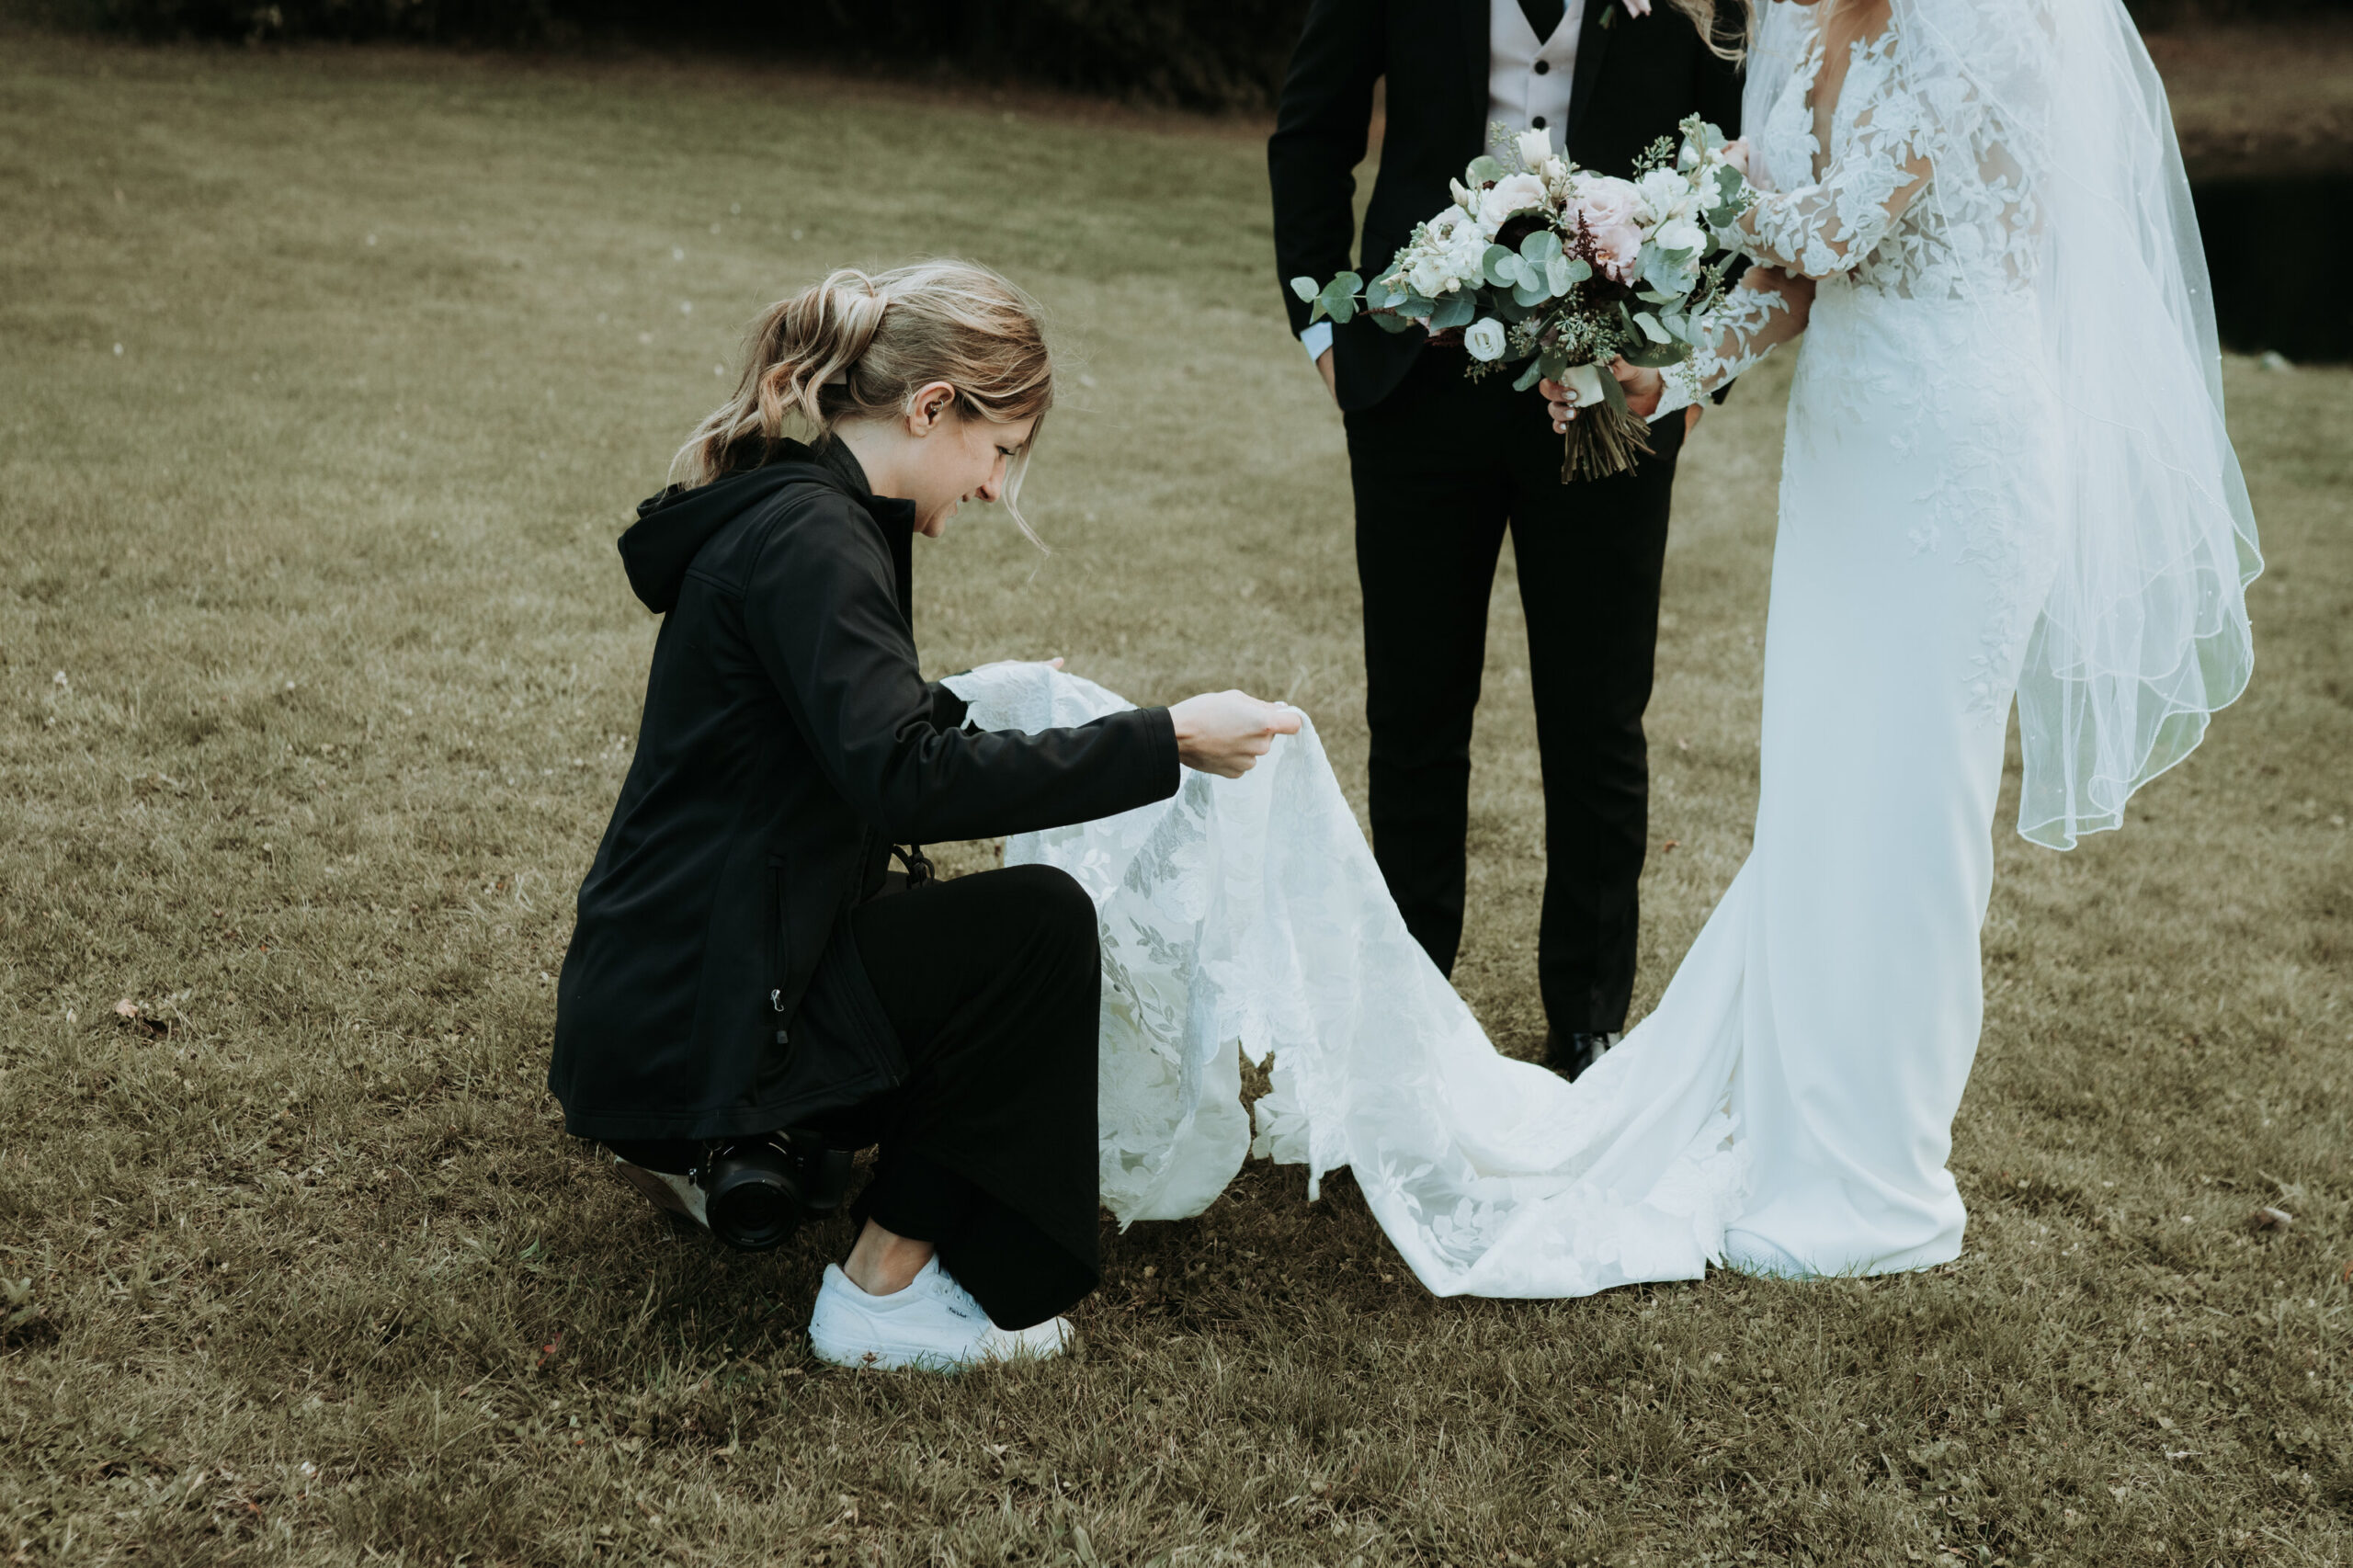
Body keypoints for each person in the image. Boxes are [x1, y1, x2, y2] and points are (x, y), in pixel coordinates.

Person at [991, 0, 2256, 1294]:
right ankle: (1792, 1117)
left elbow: (1837, 225)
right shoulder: (1815, 21)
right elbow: (1799, 285)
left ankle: (1880, 1170)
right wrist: (1673, 371)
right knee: (1823, 788)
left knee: (1916, 801)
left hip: (1961, 442)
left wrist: (1622, 217)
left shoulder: (1997, 26)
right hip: (1853, 446)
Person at [547, 261, 1302, 1369]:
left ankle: (753, 1154)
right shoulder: (816, 536)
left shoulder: (804, 510)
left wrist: (973, 699)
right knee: (1032, 930)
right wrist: (1168, 736)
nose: (996, 488)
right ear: (933, 404)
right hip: (692, 1010)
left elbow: (817, 732)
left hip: (676, 980)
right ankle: (880, 1295)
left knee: (956, 930)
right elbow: (903, 778)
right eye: (999, 451)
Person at [1268, 0, 1745, 1083]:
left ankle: (1586, 1021)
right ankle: (1407, 1003)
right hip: (1411, 385)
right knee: (1416, 706)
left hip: (1611, 387)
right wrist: (1322, 332)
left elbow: (1734, 164)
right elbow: (1311, 132)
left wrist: (1694, 363)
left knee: (1597, 712)